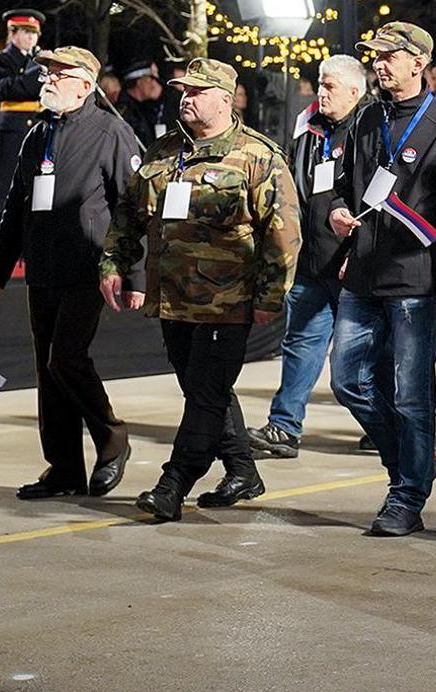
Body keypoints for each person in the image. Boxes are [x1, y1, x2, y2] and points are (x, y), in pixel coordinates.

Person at [100, 58, 300, 522]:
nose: (185, 99)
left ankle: (174, 484)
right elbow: (129, 214)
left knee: (207, 394)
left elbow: (284, 234)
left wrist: (271, 297)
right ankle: (243, 470)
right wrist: (114, 262)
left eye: (196, 92)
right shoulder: (164, 151)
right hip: (172, 297)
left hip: (227, 301)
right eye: (182, 91)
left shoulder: (258, 157)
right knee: (202, 389)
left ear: (225, 100)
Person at [326, 21, 436, 536]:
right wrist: (338, 216)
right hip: (362, 274)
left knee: (411, 394)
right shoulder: (366, 118)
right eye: (375, 56)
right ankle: (411, 465)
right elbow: (344, 188)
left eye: (389, 56)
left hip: (415, 281)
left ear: (418, 63)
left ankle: (407, 495)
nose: (379, 64)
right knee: (346, 380)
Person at [0, 47, 139, 500]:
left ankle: (113, 439)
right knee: (47, 372)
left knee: (65, 358)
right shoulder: (38, 135)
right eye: (47, 72)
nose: (48, 79)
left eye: (60, 73)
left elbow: (134, 208)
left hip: (90, 267)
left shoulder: (111, 131)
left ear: (85, 85)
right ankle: (65, 468)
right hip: (43, 269)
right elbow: (16, 208)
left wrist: (136, 273)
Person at [247, 55, 366, 459]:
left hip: (353, 265)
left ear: (355, 91)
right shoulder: (309, 128)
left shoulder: (370, 131)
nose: (321, 92)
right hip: (311, 261)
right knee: (299, 343)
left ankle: (384, 425)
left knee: (359, 360)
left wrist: (359, 252)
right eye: (320, 83)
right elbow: (297, 189)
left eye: (330, 86)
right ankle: (284, 427)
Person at [0, 10, 46, 231]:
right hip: (13, 126)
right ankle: (4, 233)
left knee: (36, 180)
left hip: (38, 123)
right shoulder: (1, 59)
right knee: (10, 183)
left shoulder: (38, 59)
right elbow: (9, 89)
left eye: (35, 33)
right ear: (13, 33)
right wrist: (36, 72)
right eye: (26, 32)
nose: (32, 38)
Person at [120, 61, 171, 150]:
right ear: (139, 82)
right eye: (150, 79)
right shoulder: (126, 112)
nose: (153, 83)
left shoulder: (146, 107)